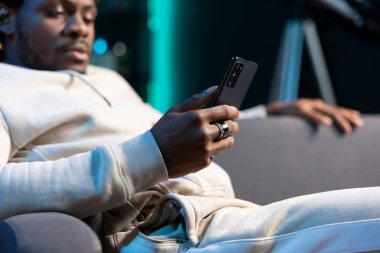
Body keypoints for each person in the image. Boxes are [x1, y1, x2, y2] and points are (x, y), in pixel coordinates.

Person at [0, 0, 378, 252]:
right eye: (57, 12)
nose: (79, 28)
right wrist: (155, 152)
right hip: (167, 233)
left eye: (87, 15)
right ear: (7, 17)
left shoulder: (105, 79)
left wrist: (270, 113)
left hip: (223, 216)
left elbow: (149, 130)